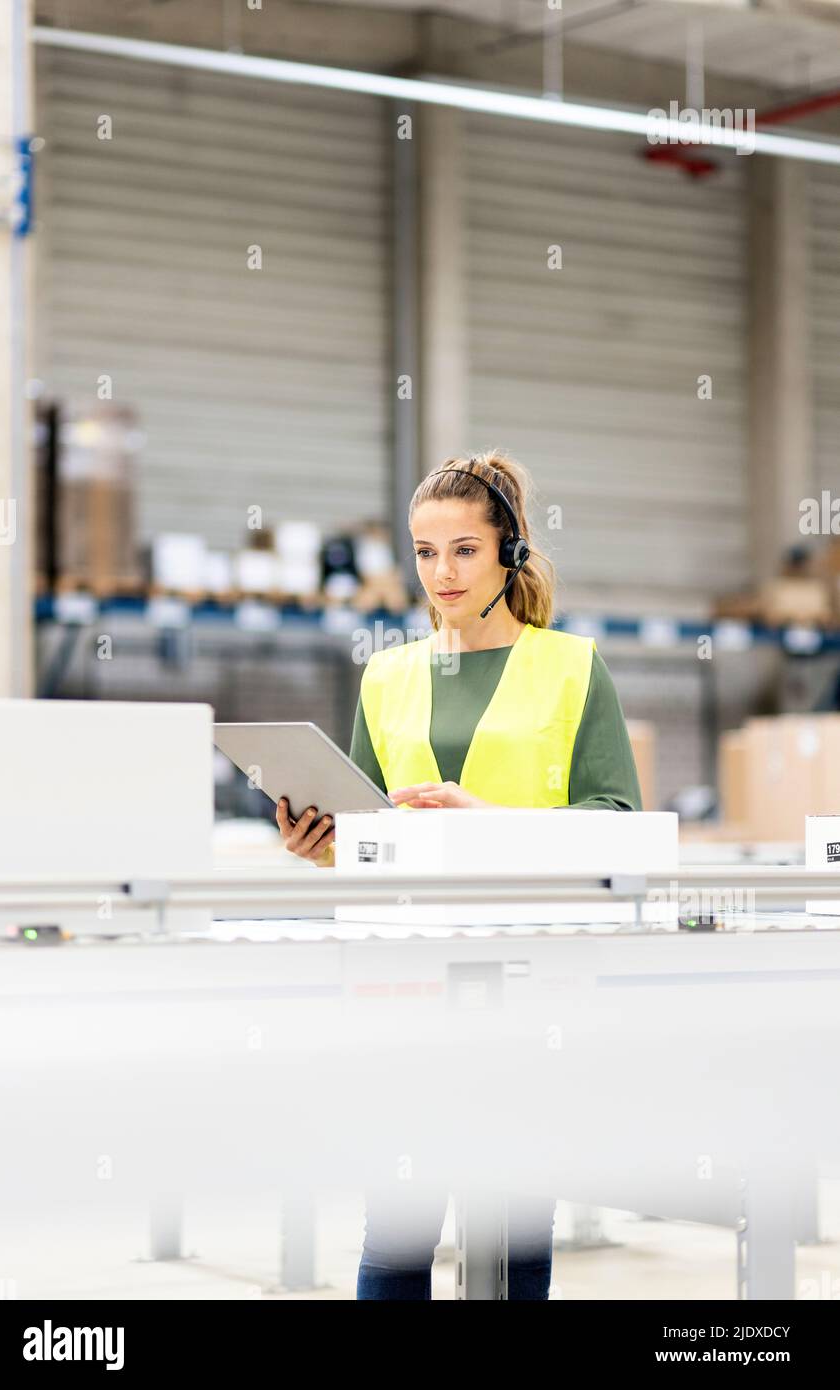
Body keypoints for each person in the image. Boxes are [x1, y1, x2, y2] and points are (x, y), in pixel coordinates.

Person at [276, 449, 642, 1298]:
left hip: (531, 980)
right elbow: (369, 828)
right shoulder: (386, 673)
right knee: (397, 1238)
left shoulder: (572, 667)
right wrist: (322, 841)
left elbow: (618, 825)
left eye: (464, 550)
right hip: (402, 979)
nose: (440, 572)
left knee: (511, 1240)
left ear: (509, 552)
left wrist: (494, 825)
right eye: (423, 551)